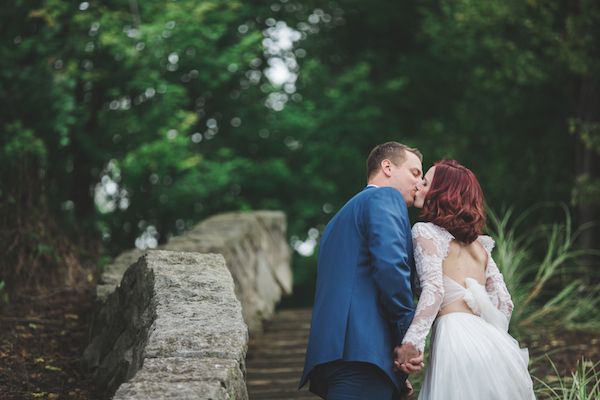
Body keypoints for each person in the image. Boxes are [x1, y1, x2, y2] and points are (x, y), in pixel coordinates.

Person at [396, 159, 535, 399]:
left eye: (426, 182)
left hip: (455, 341)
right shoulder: (480, 246)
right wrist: (493, 335)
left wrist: (413, 342)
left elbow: (434, 290)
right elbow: (504, 302)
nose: (418, 185)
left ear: (441, 193)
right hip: (494, 346)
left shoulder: (425, 231)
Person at [299, 141, 425, 400]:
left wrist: (397, 378)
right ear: (387, 167)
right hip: (365, 353)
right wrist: (407, 337)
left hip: (335, 354)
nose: (420, 183)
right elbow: (391, 267)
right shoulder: (384, 197)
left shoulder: (338, 219)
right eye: (415, 173)